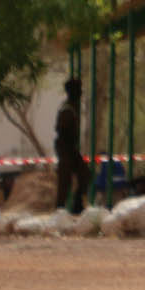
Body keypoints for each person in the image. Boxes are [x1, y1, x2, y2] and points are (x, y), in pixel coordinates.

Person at [54, 78, 89, 215]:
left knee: (84, 174)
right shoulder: (67, 109)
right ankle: (60, 211)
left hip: (69, 148)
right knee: (65, 182)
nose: (81, 93)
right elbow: (62, 131)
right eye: (79, 90)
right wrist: (69, 152)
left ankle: (76, 205)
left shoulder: (72, 107)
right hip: (66, 148)